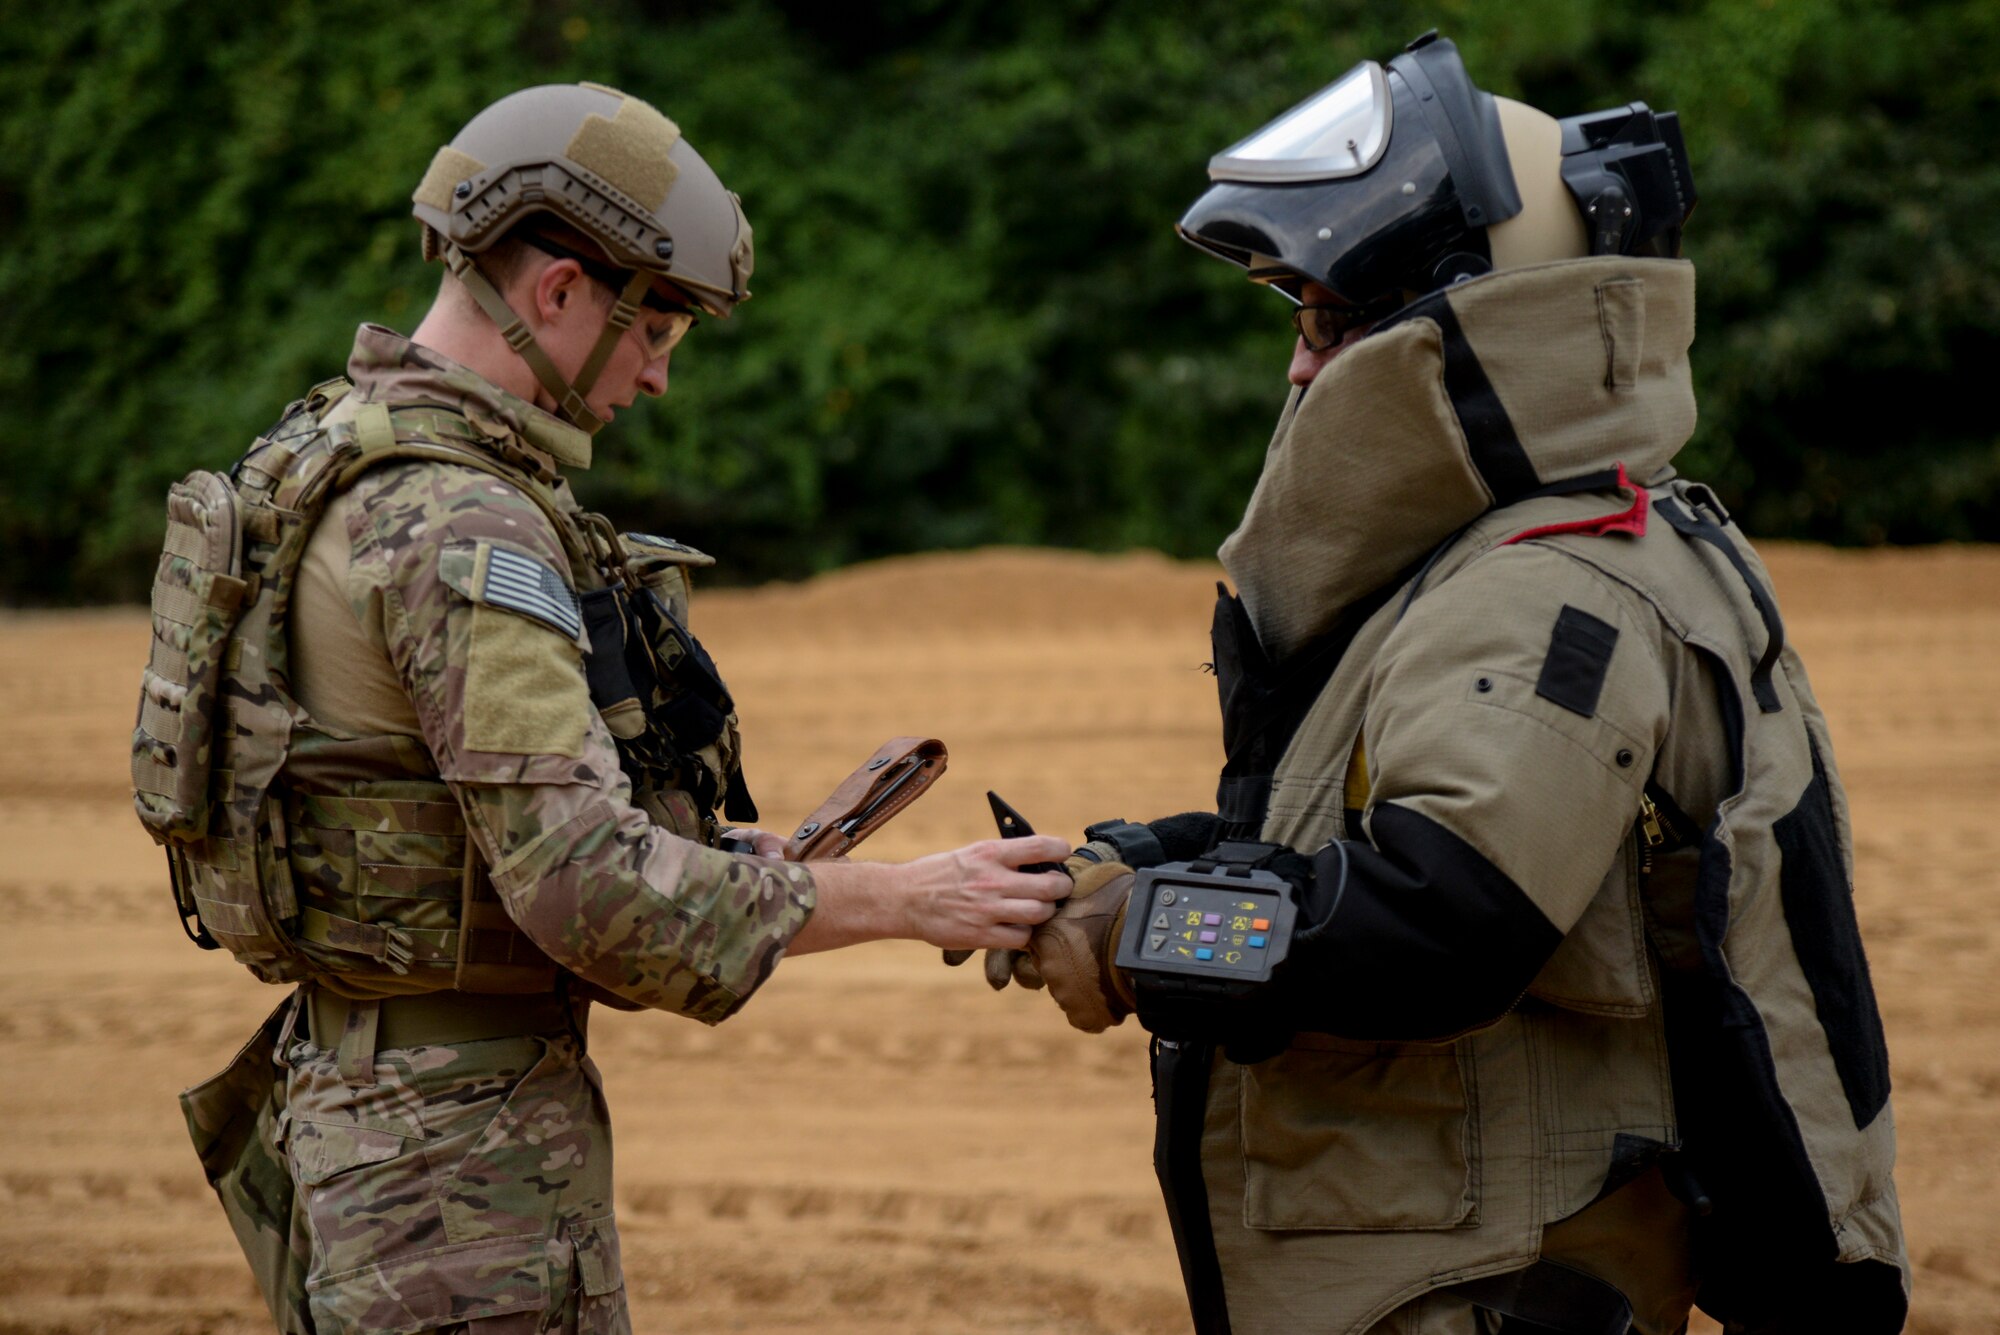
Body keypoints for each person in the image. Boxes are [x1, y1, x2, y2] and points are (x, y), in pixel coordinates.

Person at [1002, 33, 1910, 1335]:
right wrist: (1153, 857)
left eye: (1331, 321)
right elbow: (1386, 843)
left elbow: (1439, 923)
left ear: (1471, 321)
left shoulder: (1545, 588)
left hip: (1492, 1278)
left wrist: (1152, 927)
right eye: (1299, 321)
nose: (1306, 365)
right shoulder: (1538, 544)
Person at [134, 83, 1069, 1334]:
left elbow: (436, 816)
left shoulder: (326, 455)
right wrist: (911, 898)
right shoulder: (462, 520)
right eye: (657, 332)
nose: (658, 377)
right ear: (559, 292)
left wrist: (723, 854)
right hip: (460, 1186)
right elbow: (585, 889)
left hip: (365, 1120)